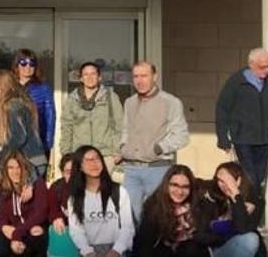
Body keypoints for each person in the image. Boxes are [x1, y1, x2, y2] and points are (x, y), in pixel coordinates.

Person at [118, 61, 189, 218]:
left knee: (157, 215)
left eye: (144, 75)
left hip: (158, 168)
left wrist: (159, 148)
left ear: (154, 77)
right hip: (131, 169)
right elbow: (125, 130)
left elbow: (182, 135)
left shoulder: (170, 102)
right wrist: (123, 147)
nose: (139, 80)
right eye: (136, 76)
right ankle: (134, 244)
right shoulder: (129, 102)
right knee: (129, 216)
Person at [214, 48, 268, 193]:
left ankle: (254, 209)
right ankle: (247, 210)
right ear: (251, 64)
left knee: (260, 178)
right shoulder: (236, 82)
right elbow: (222, 109)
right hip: (243, 139)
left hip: (265, 139)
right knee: (250, 178)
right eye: (262, 67)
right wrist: (223, 138)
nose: (266, 70)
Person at [66, 146, 134, 257]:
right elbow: (76, 230)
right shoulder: (75, 198)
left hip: (116, 250)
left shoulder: (119, 192)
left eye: (97, 158)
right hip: (90, 251)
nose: (94, 163)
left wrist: (116, 251)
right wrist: (87, 251)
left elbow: (128, 227)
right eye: (88, 160)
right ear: (80, 167)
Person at [58, 62, 123, 177]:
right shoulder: (72, 100)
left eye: (93, 74)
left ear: (99, 77)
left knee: (103, 191)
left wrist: (117, 151)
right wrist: (66, 153)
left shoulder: (110, 97)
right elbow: (67, 127)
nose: (89, 77)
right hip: (80, 155)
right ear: (81, 78)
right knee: (82, 192)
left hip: (105, 155)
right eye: (86, 74)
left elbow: (119, 125)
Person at [132, 165, 210, 257]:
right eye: (175, 185)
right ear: (166, 185)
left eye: (185, 187)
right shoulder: (154, 208)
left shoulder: (199, 207)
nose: (180, 192)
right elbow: (144, 244)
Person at [196, 162, 263, 257]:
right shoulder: (210, 198)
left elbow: (242, 229)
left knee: (251, 239)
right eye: (219, 180)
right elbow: (200, 235)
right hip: (216, 250)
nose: (223, 184)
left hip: (240, 249)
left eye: (228, 180)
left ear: (238, 180)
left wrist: (236, 195)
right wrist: (224, 238)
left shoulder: (254, 201)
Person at [0, 151, 48, 256]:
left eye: (19, 167)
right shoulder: (5, 189)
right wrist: (3, 227)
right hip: (17, 230)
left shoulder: (37, 184)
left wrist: (17, 234)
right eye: (11, 167)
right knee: (0, 241)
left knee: (36, 231)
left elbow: (40, 214)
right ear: (5, 170)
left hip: (32, 227)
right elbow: (1, 216)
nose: (15, 171)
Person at [0, 71, 47, 178]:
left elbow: (18, 136)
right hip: (37, 158)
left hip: (28, 161)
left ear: (5, 84)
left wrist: (0, 156)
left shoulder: (12, 105)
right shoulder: (24, 101)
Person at [13, 50, 55, 156]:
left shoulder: (43, 87)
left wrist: (48, 143)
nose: (28, 67)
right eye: (23, 62)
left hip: (37, 142)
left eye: (32, 63)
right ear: (16, 65)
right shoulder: (10, 86)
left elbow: (50, 116)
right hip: (13, 142)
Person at [46, 154, 79, 257]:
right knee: (56, 231)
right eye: (68, 172)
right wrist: (57, 217)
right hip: (64, 229)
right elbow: (51, 209)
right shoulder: (56, 188)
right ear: (63, 173)